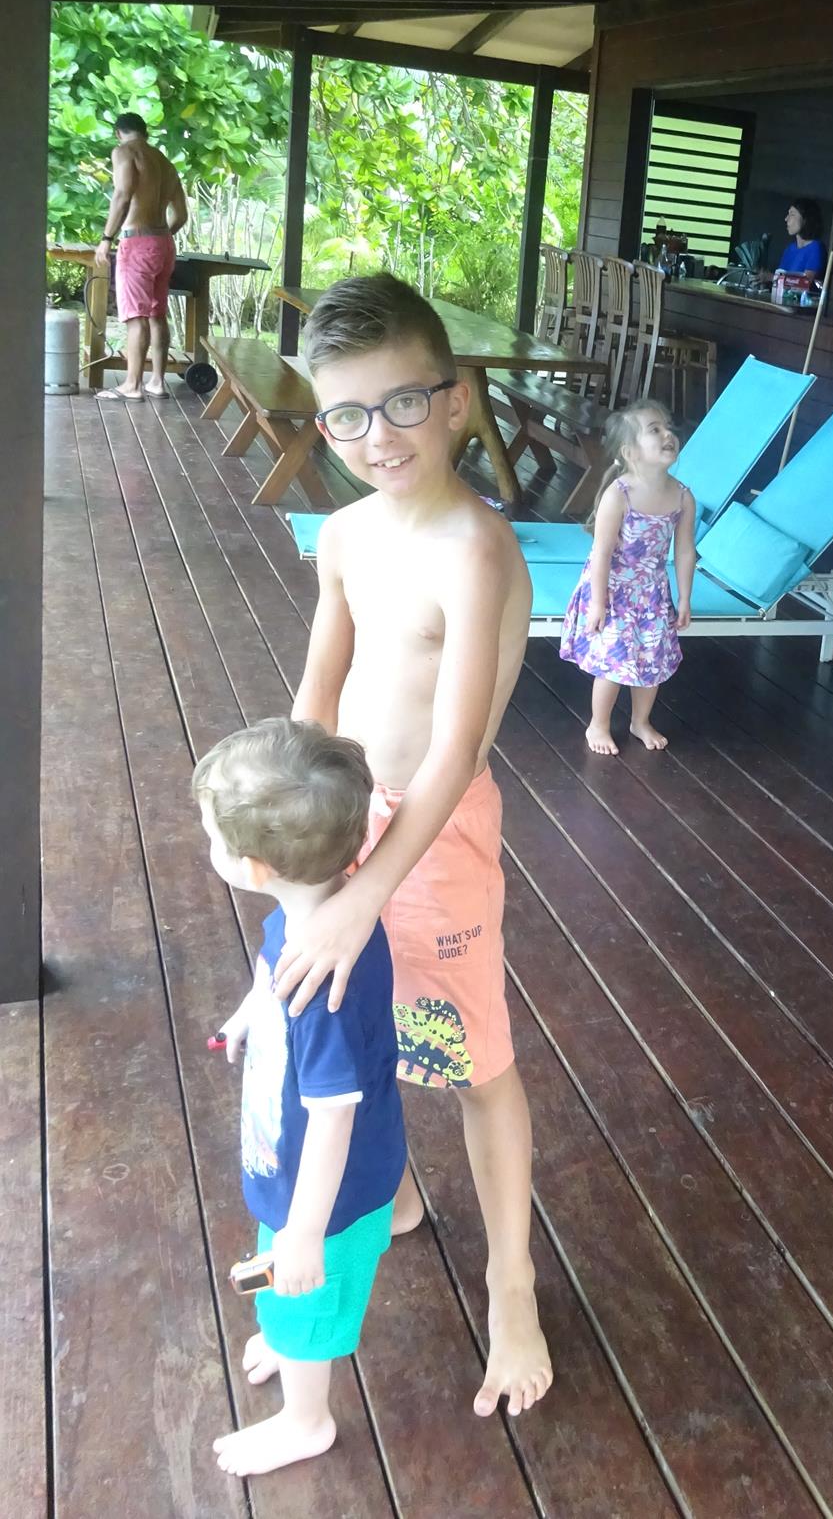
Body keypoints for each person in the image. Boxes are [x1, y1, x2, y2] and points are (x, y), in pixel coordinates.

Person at [272, 274, 552, 1420]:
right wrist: (285, 836)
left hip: (432, 843)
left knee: (474, 1060)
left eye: (401, 404)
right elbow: (314, 696)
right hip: (342, 826)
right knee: (342, 1024)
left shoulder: (472, 548)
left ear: (456, 397)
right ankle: (385, 1200)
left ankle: (515, 1285)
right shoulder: (340, 533)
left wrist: (365, 889)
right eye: (344, 414)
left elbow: (452, 753)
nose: (373, 436)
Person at [192, 718, 406, 1480]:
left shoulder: (324, 989)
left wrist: (306, 1232)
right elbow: (271, 957)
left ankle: (305, 1419)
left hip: (327, 1188)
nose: (209, 848)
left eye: (213, 839)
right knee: (286, 1290)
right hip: (297, 1162)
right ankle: (285, 1333)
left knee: (305, 1298)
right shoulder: (321, 909)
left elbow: (333, 1116)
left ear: (252, 866)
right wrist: (254, 1007)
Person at [561, 399, 695, 755]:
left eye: (668, 428)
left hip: (652, 592)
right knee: (612, 661)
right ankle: (598, 724)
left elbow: (683, 551)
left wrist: (683, 597)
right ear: (631, 452)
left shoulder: (683, 496)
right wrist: (598, 603)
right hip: (615, 589)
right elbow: (601, 552)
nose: (668, 434)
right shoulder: (619, 494)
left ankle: (640, 721)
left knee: (651, 662)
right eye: (655, 430)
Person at [94, 112, 188, 400]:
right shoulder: (164, 162)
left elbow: (122, 194)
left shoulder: (124, 152)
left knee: (136, 317)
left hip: (137, 242)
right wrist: (160, 238)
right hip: (164, 243)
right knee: (157, 314)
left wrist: (106, 239)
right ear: (145, 132)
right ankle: (157, 381)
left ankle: (131, 385)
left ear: (118, 133)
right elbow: (181, 215)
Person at [774, 199, 826, 279]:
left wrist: (770, 278)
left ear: (805, 219)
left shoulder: (816, 248)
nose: (786, 219)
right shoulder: (789, 249)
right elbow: (780, 277)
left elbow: (805, 282)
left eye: (792, 214)